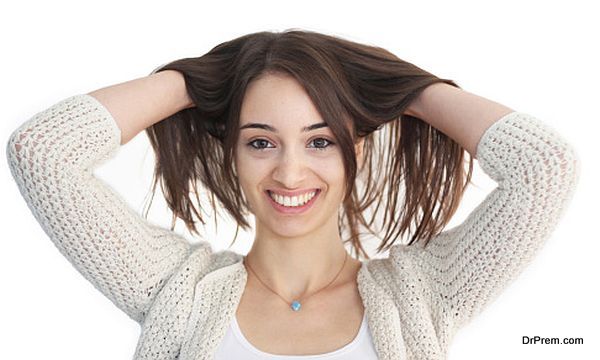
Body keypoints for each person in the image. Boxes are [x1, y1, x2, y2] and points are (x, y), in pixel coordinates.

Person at [6, 29, 580, 360]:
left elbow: (545, 166)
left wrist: (407, 89)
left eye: (321, 141)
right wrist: (208, 77)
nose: (290, 172)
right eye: (260, 142)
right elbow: (42, 151)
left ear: (355, 148)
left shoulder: (422, 297)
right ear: (230, 149)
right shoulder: (176, 292)